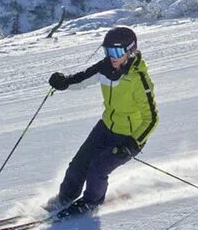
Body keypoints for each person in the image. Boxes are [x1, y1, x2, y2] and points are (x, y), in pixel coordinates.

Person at [44, 25, 158, 214]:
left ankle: (91, 203)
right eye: (108, 50)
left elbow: (152, 118)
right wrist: (64, 82)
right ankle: (66, 197)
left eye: (117, 51)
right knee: (78, 164)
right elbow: (82, 79)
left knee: (97, 169)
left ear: (130, 51)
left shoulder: (139, 79)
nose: (112, 56)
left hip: (130, 137)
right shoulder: (105, 68)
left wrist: (133, 142)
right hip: (106, 127)